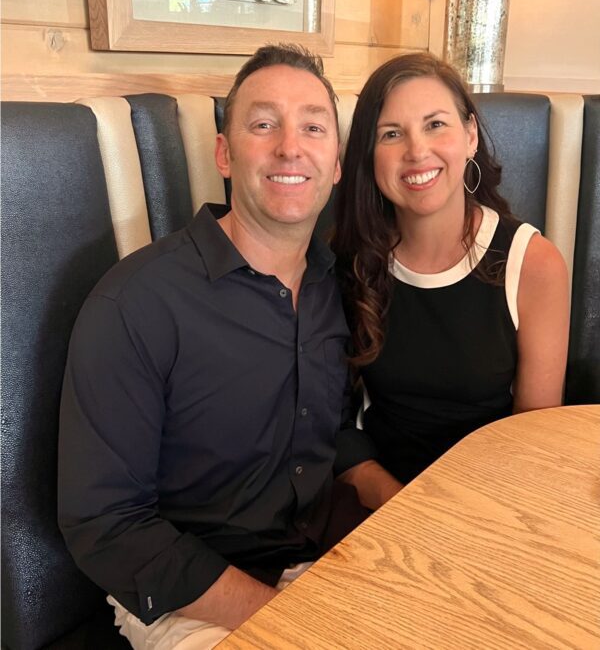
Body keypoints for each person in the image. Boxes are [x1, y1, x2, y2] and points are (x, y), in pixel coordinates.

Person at [58, 44, 401, 650]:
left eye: (313, 128)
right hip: (190, 597)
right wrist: (282, 617)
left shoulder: (329, 282)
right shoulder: (136, 304)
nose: (290, 147)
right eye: (263, 124)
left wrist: (402, 506)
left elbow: (329, 428)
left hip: (323, 554)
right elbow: (106, 526)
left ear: (337, 162)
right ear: (224, 152)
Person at [331, 52, 569, 485]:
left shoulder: (533, 264)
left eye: (435, 124)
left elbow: (534, 441)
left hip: (494, 498)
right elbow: (332, 420)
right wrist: (394, 501)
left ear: (470, 135)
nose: (417, 151)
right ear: (370, 155)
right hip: (380, 498)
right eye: (391, 134)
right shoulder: (351, 259)